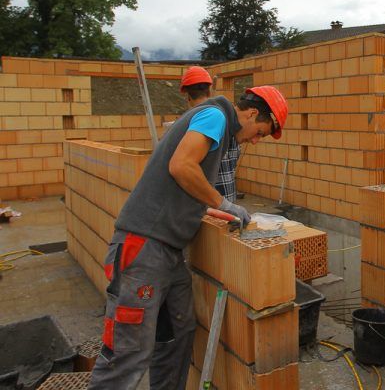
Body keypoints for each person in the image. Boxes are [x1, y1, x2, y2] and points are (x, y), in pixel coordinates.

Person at [88, 85, 288, 390]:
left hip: (168, 252)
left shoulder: (217, 125)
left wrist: (212, 212)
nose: (256, 140)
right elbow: (181, 166)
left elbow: (185, 185)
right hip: (144, 247)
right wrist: (222, 202)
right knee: (128, 352)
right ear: (251, 113)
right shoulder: (215, 116)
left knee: (178, 334)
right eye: (261, 131)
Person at [179, 65, 240, 203]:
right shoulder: (229, 119)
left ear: (187, 96)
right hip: (228, 202)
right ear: (210, 91)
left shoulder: (191, 129)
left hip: (209, 205)